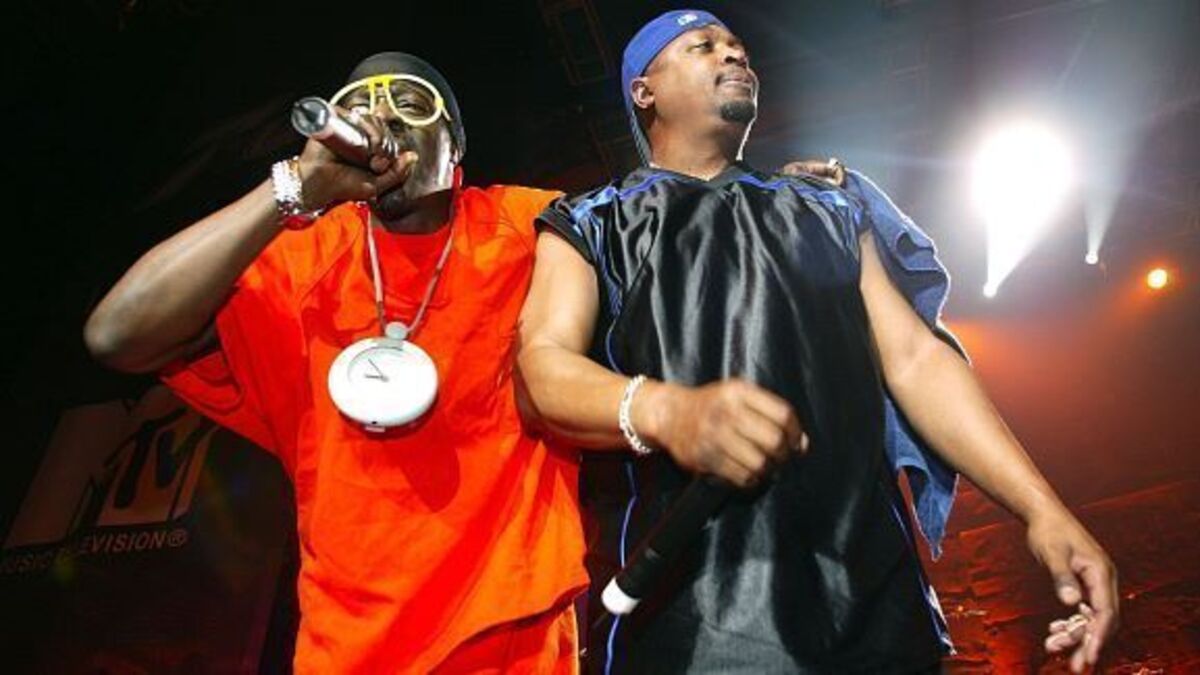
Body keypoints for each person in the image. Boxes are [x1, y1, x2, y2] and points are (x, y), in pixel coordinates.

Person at [516, 9, 1118, 674]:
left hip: (875, 614)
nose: (733, 55)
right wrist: (667, 410)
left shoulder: (827, 205)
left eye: (738, 47)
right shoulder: (589, 222)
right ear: (644, 91)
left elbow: (915, 359)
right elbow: (541, 370)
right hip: (691, 628)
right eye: (703, 46)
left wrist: (1041, 509)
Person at [84, 52, 589, 673]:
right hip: (346, 646)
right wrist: (294, 188)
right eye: (359, 108)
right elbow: (116, 335)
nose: (382, 119)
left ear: (455, 146)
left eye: (410, 104)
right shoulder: (299, 259)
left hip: (508, 635)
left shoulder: (526, 224)